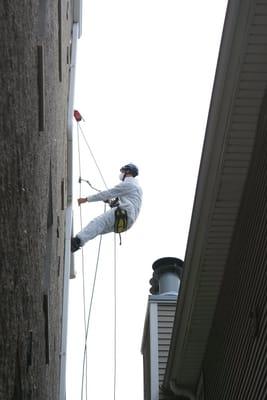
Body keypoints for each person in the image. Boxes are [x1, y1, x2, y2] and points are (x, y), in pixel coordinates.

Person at [71, 163, 143, 252]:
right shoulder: (138, 189)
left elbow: (107, 194)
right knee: (98, 229)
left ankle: (76, 242)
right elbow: (130, 203)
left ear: (128, 172)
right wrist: (113, 203)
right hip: (128, 223)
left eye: (123, 171)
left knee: (98, 223)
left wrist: (86, 199)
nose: (121, 174)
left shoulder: (129, 184)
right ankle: (78, 243)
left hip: (124, 213)